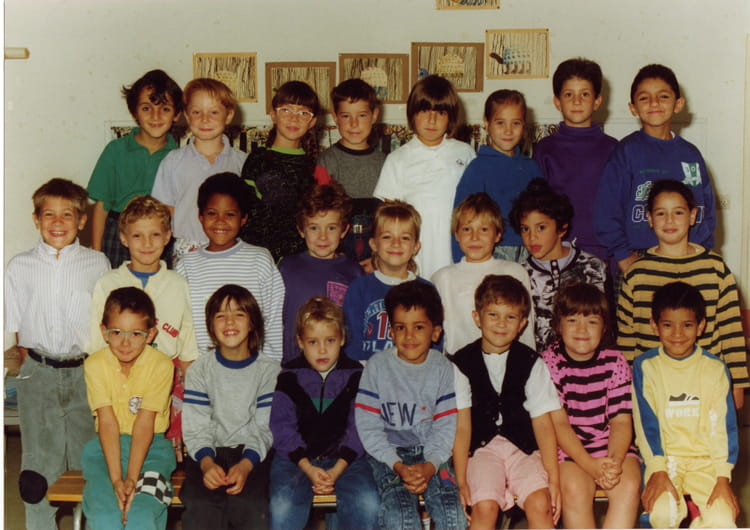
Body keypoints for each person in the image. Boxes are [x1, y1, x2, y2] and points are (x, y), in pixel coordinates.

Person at [4, 178, 110, 529]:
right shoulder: (19, 266)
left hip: (86, 374)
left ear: (82, 220)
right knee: (38, 472)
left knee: (91, 463)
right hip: (39, 372)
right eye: (49, 214)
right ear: (36, 219)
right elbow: (12, 328)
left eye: (67, 214)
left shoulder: (98, 263)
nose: (58, 222)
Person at [617, 179, 748, 408]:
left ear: (693, 216)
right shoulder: (636, 274)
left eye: (678, 212)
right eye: (661, 213)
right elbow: (627, 339)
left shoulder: (715, 268)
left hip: (706, 386)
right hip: (653, 387)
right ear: (649, 218)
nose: (669, 220)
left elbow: (731, 333)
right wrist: (626, 390)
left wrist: (737, 386)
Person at [88, 195, 199, 459]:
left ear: (168, 236)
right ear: (124, 238)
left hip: (165, 379)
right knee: (122, 448)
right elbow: (96, 343)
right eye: (137, 236)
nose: (147, 243)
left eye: (155, 235)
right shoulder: (107, 283)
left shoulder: (178, 284)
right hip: (119, 379)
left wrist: (189, 396)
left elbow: (188, 342)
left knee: (161, 455)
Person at [451, 275, 561, 529]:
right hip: (481, 450)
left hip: (523, 449)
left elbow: (543, 425)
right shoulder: (461, 363)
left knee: (540, 503)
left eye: (510, 317)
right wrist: (461, 481)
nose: (501, 323)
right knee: (485, 506)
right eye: (493, 315)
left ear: (522, 324)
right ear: (477, 317)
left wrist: (554, 480)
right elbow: (462, 427)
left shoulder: (531, 362)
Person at [355, 280, 465, 530]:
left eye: (419, 327)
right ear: (391, 332)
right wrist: (397, 465)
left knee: (453, 514)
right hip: (388, 455)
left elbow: (445, 426)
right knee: (400, 516)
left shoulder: (443, 368)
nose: (409, 335)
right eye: (400, 327)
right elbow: (368, 427)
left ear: (435, 332)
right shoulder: (376, 366)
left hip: (433, 454)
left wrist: (430, 465)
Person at [632, 281, 739, 528]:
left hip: (706, 462)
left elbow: (724, 428)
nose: (677, 334)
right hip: (666, 461)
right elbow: (646, 426)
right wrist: (657, 470)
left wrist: (723, 477)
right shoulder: (646, 367)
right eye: (668, 325)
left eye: (687, 325)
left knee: (722, 519)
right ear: (654, 325)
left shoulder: (715, 369)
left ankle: (696, 519)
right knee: (663, 514)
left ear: (701, 326)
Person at [593, 64, 717, 276]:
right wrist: (623, 256)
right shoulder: (626, 152)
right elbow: (607, 211)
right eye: (644, 98)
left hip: (687, 256)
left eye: (663, 96)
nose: (654, 103)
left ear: (678, 104)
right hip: (638, 258)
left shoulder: (690, 155)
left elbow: (706, 209)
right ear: (633, 108)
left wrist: (702, 252)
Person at [269, 296, 379, 530]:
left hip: (347, 461)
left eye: (330, 340)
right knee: (282, 506)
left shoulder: (356, 375)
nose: (322, 350)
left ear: (342, 338)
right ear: (300, 342)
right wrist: (308, 467)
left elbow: (359, 427)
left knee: (367, 504)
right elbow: (281, 427)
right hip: (295, 461)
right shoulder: (289, 376)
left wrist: (338, 468)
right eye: (313, 342)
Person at [181, 284, 281, 529]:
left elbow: (264, 427)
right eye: (220, 316)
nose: (229, 322)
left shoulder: (270, 371)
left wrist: (246, 465)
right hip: (208, 452)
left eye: (239, 314)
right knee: (201, 505)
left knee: (249, 505)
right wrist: (207, 464)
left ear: (252, 323)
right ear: (210, 326)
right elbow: (196, 426)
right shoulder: (199, 370)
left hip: (253, 453)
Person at [541, 283, 640, 529]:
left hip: (611, 446)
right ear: (558, 325)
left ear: (604, 327)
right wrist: (589, 465)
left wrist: (614, 463)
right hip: (568, 450)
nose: (582, 329)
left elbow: (621, 421)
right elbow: (559, 425)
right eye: (572, 320)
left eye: (592, 321)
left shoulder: (615, 361)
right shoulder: (549, 362)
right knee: (575, 489)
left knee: (628, 484)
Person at [81, 287, 175, 529]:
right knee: (105, 515)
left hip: (152, 450)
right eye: (116, 332)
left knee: (140, 515)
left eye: (135, 333)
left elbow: (145, 423)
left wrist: (131, 480)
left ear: (150, 334)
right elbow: (107, 421)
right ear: (104, 332)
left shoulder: (161, 365)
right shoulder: (94, 364)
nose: (125, 342)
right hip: (105, 451)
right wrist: (116, 481)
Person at [374, 74, 476, 278]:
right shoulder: (398, 159)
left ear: (451, 117)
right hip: (416, 257)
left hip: (456, 254)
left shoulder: (465, 153)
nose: (432, 120)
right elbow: (389, 217)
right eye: (424, 111)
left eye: (441, 113)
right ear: (412, 114)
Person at [176, 172, 285, 362]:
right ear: (200, 216)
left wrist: (271, 366)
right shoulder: (187, 264)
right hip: (202, 367)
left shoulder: (259, 259)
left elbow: (273, 319)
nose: (220, 221)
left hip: (253, 367)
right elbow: (182, 324)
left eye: (230, 214)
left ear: (243, 218)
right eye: (212, 213)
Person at [87, 70, 183, 268]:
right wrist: (97, 253)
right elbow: (102, 206)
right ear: (134, 113)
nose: (155, 116)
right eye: (146, 108)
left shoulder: (179, 157)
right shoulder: (115, 150)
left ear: (177, 114)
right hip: (117, 234)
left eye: (165, 109)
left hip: (159, 237)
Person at [533, 58, 617, 263]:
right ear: (557, 102)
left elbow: (619, 205)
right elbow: (536, 208)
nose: (576, 101)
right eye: (569, 94)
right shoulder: (544, 149)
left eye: (585, 94)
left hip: (603, 250)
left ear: (597, 101)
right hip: (557, 249)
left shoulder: (613, 148)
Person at [152, 78, 246, 260]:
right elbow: (162, 214)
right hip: (187, 249)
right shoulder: (172, 161)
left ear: (228, 116)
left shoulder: (242, 162)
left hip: (232, 248)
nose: (205, 119)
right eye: (196, 112)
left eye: (213, 112)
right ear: (187, 116)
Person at [509, 178, 608, 351]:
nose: (532, 237)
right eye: (525, 229)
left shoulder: (593, 266)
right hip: (538, 363)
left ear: (561, 229)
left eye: (541, 228)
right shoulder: (519, 274)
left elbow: (606, 324)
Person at [432, 192, 535, 354]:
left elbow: (526, 332)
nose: (475, 237)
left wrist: (529, 363)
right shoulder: (442, 278)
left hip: (508, 361)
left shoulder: (514, 271)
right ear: (457, 235)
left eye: (484, 229)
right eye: (467, 229)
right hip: (459, 364)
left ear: (497, 235)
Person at [453, 89, 540, 263]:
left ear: (524, 125)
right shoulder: (477, 168)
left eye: (516, 123)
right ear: (486, 123)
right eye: (500, 123)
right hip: (493, 252)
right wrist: (461, 265)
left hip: (532, 249)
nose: (508, 131)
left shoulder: (531, 167)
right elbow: (461, 221)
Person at [278, 182, 363, 363]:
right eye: (314, 228)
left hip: (338, 367)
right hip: (293, 364)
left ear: (344, 230)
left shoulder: (354, 272)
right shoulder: (287, 267)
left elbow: (356, 326)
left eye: (331, 228)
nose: (322, 236)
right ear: (301, 230)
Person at [240, 81, 322, 262]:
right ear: (273, 114)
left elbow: (322, 217)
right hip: (259, 256)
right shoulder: (257, 159)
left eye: (303, 113)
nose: (294, 118)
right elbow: (245, 214)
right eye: (286, 110)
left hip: (302, 258)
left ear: (312, 122)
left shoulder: (318, 165)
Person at [343, 200, 432, 362]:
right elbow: (352, 346)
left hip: (413, 373)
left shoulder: (427, 291)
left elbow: (433, 344)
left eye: (405, 238)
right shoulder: (359, 289)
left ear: (415, 246)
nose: (396, 243)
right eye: (387, 236)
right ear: (373, 244)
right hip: (368, 372)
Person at [316, 78, 386, 264]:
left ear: (374, 115)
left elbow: (389, 218)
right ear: (335, 117)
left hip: (376, 252)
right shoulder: (325, 161)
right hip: (338, 252)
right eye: (346, 116)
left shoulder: (386, 163)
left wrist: (378, 257)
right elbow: (321, 212)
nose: (354, 124)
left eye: (362, 115)